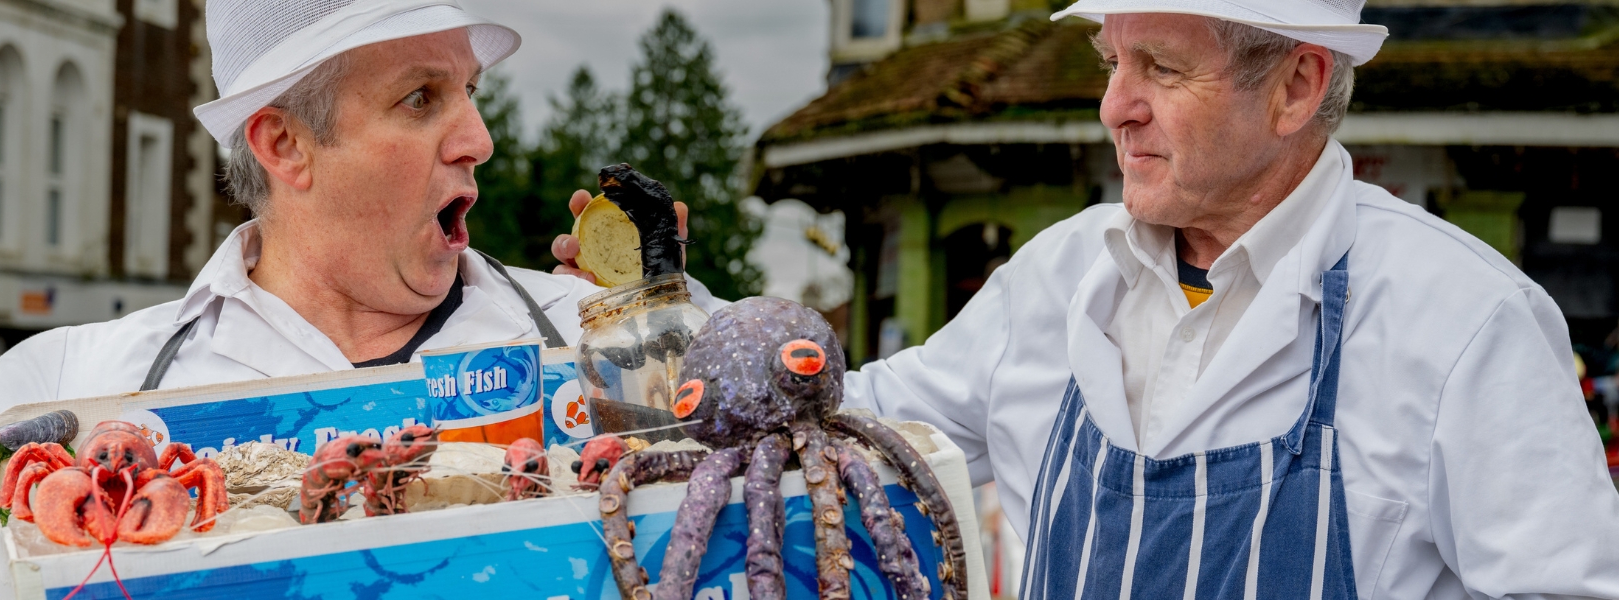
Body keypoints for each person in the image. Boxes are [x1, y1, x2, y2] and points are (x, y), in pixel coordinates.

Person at [595, 0, 1619, 597]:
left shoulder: (1464, 320)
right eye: (1111, 62)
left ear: (1298, 86)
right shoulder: (1061, 275)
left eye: (1160, 67)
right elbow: (820, 410)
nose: (1114, 106)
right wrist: (648, 313)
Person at [0, 1, 718, 597]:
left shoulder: (617, 339)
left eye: (470, 92)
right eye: (421, 98)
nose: (479, 140)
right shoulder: (43, 396)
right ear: (285, 144)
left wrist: (663, 331)